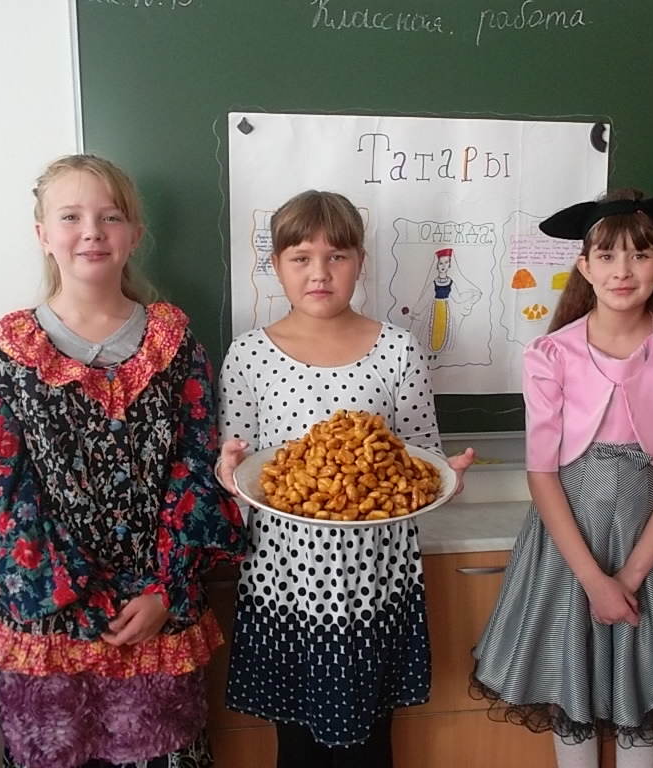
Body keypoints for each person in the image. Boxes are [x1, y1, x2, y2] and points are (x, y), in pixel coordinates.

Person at [0, 154, 247, 768]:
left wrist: (166, 589)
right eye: (71, 217)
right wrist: (73, 594)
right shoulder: (7, 353)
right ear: (43, 234)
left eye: (110, 216)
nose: (91, 231)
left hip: (158, 613)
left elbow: (197, 470)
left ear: (134, 235)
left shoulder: (174, 345)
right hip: (49, 622)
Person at [471, 188, 653, 768]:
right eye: (608, 256)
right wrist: (594, 580)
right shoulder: (550, 354)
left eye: (640, 255)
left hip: (652, 546)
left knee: (644, 686)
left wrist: (631, 575)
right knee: (570, 684)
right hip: (568, 546)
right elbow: (543, 474)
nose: (623, 270)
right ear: (585, 267)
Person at [215, 190, 475, 767]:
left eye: (337, 256)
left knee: (370, 742)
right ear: (276, 265)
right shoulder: (248, 355)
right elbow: (241, 468)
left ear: (360, 261)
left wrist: (448, 479)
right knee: (296, 744)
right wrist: (226, 469)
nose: (320, 272)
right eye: (300, 257)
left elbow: (421, 460)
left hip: (375, 578)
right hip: (285, 578)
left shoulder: (398, 349)